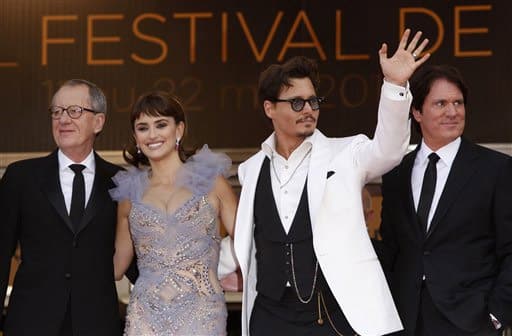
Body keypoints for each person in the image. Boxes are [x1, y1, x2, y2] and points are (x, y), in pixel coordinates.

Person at [232, 29, 430, 336]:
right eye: (296, 103)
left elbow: (389, 151)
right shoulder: (250, 169)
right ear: (270, 108)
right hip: (269, 314)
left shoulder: (345, 154)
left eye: (313, 101)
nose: (309, 109)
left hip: (331, 312)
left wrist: (394, 85)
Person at [376, 64, 512, 335]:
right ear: (416, 112)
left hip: (471, 321)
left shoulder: (496, 169)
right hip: (407, 320)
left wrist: (496, 315)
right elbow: (391, 250)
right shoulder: (395, 173)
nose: (453, 112)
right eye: (440, 103)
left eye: (458, 103)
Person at [0, 79, 124, 335]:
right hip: (30, 323)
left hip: (97, 324)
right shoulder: (21, 177)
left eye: (74, 111)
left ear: (98, 122)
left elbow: (140, 256)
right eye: (56, 112)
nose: (63, 119)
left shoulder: (121, 182)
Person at [109, 91, 238, 335]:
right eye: (143, 128)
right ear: (136, 137)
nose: (152, 135)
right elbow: (117, 267)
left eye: (161, 125)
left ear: (178, 130)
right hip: (145, 317)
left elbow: (247, 242)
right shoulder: (129, 195)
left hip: (202, 316)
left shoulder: (212, 182)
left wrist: (233, 273)